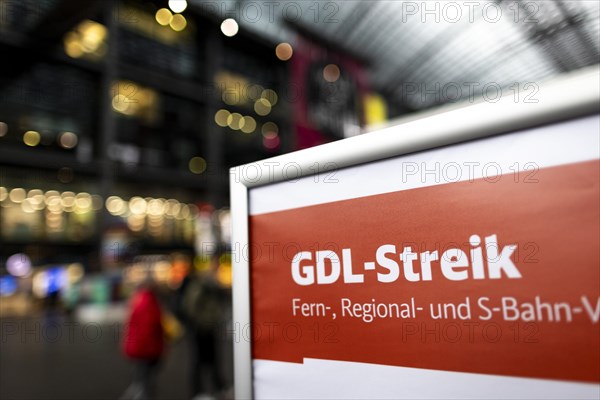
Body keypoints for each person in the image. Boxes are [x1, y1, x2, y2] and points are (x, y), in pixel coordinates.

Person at [177, 255, 226, 400]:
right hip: (201, 328)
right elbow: (191, 305)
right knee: (200, 360)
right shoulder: (202, 284)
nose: (217, 269)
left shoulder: (209, 284)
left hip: (208, 326)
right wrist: (199, 321)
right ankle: (198, 391)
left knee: (212, 359)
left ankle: (216, 388)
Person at [121, 280, 164, 400]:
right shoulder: (149, 303)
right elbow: (149, 328)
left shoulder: (138, 301)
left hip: (138, 348)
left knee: (141, 378)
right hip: (146, 349)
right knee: (146, 382)